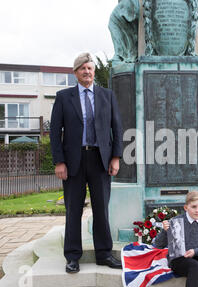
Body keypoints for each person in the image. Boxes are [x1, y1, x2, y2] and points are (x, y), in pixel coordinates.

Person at [50, 53, 124, 273]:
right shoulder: (63, 97)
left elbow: (117, 128)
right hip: (73, 161)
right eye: (82, 68)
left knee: (101, 209)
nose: (87, 72)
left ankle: (104, 254)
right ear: (75, 73)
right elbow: (55, 132)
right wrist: (59, 162)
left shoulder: (106, 95)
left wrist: (116, 157)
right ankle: (72, 256)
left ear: (93, 72)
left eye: (90, 68)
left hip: (101, 160)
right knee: (73, 209)